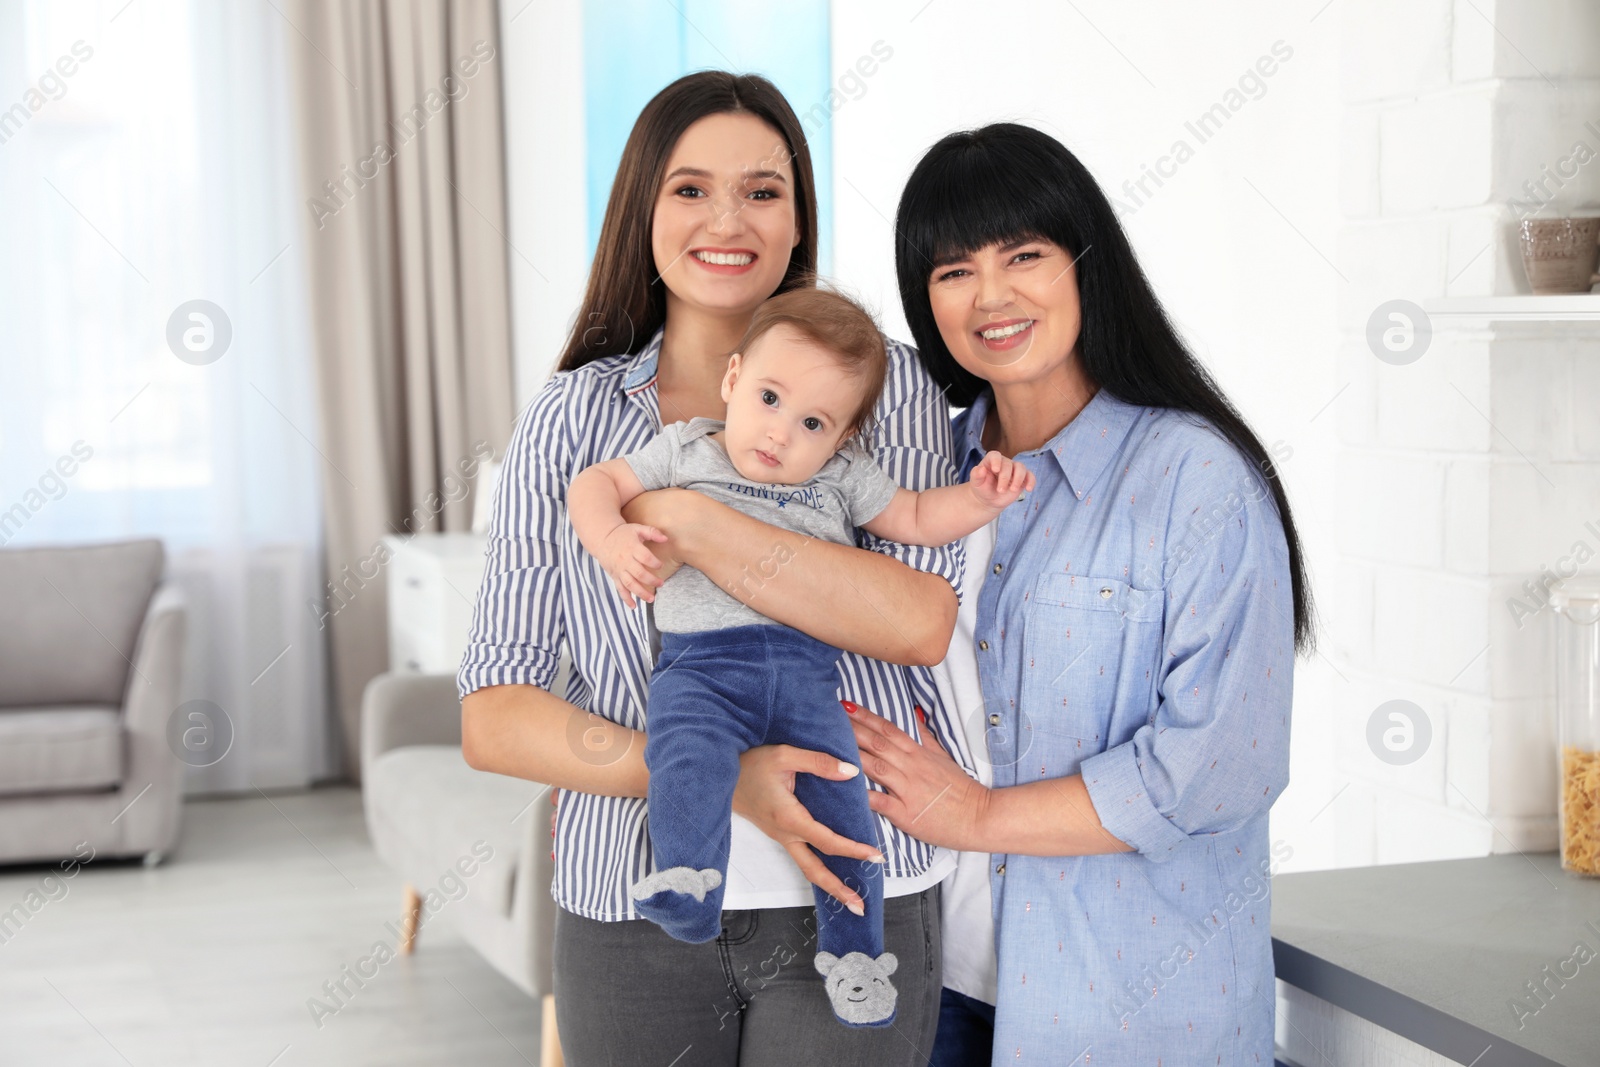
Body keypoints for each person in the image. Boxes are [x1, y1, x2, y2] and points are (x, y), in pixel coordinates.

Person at [457, 71, 973, 1065]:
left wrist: (691, 519)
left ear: (797, 216)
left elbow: (916, 620)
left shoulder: (883, 384)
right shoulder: (573, 417)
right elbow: (493, 714)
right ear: (643, 209)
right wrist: (719, 776)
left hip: (858, 884)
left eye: (762, 190)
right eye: (690, 188)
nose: (726, 220)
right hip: (630, 908)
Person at [845, 123, 1318, 1065]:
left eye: (1025, 255)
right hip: (928, 994)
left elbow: (1220, 766)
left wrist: (978, 813)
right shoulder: (914, 479)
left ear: (1087, 266)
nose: (991, 296)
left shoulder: (1197, 480)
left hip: (1125, 1016)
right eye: (952, 271)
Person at [566, 286, 1033, 1028]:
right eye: (770, 398)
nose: (780, 432)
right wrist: (611, 538)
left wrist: (980, 499)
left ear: (842, 437)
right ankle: (690, 881)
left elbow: (914, 517)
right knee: (684, 753)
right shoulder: (688, 446)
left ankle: (856, 955)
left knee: (845, 809)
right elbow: (597, 484)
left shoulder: (839, 479)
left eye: (813, 421)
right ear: (734, 380)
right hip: (701, 668)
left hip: (805, 678)